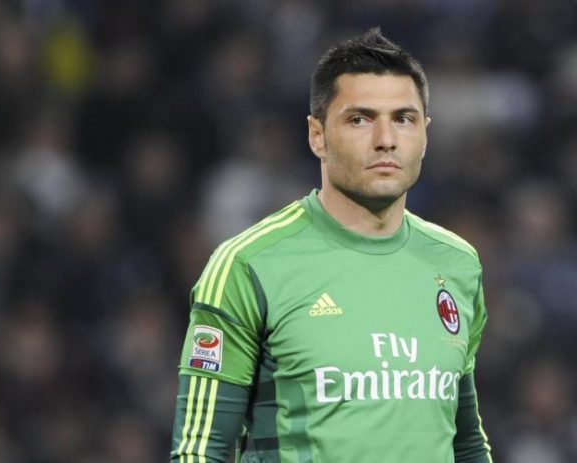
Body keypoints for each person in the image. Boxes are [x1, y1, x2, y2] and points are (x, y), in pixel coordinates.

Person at [170, 28, 492, 463]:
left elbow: (466, 444)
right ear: (317, 135)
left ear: (425, 134)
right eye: (360, 119)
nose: (386, 139)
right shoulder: (249, 265)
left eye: (404, 118)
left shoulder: (457, 263)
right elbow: (198, 451)